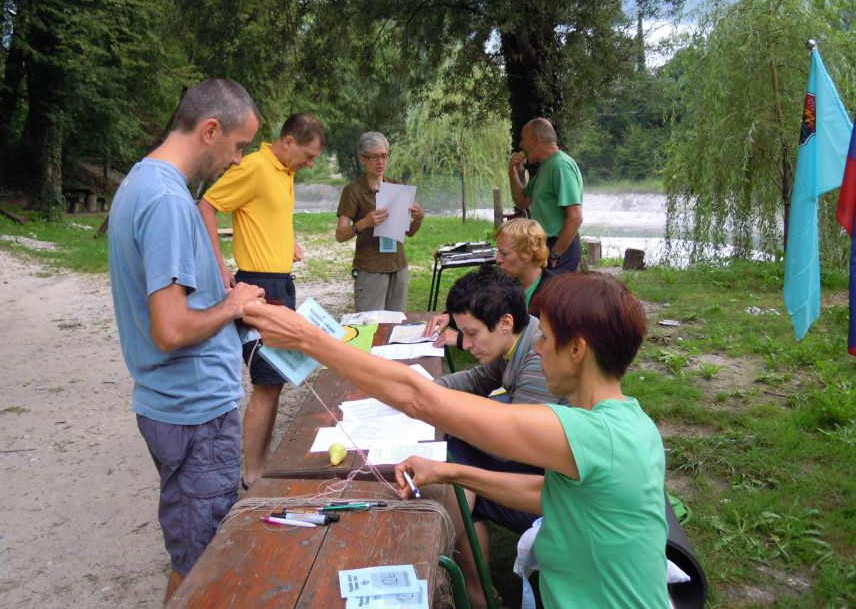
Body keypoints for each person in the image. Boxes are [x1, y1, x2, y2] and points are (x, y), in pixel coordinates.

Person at [242, 272, 669, 609]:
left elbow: (418, 397)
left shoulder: (591, 434)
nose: (535, 348)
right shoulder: (626, 424)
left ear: (577, 350)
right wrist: (452, 472)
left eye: (545, 338)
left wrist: (308, 339)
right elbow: (550, 493)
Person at [107, 78, 266, 602]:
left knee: (195, 552)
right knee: (205, 561)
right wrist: (234, 305)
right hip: (194, 413)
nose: (238, 161)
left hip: (176, 406)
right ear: (210, 130)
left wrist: (224, 298)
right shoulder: (168, 201)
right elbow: (171, 328)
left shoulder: (141, 182)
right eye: (238, 146)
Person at [197, 113, 325, 488]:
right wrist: (218, 267)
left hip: (281, 284)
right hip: (257, 286)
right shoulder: (254, 167)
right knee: (265, 382)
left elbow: (263, 218)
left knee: (277, 379)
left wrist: (288, 244)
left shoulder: (285, 173)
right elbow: (206, 206)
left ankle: (261, 466)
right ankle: (253, 476)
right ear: (288, 142)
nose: (311, 163)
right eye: (309, 154)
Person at [432, 266, 556, 606]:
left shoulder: (536, 360)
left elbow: (512, 448)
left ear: (504, 322)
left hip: (556, 495)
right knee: (456, 466)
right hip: (542, 472)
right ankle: (479, 589)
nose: (466, 344)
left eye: (472, 334)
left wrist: (441, 414)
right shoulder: (516, 339)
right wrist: (424, 391)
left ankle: (476, 592)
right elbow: (474, 381)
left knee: (456, 476)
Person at [426, 217, 556, 348]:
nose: (497, 259)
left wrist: (463, 339)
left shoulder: (553, 296)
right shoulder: (510, 281)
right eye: (497, 251)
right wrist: (451, 317)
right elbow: (487, 313)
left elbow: (525, 345)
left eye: (504, 254)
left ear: (527, 254)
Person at [335, 131, 424, 312]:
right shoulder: (353, 191)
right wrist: (363, 223)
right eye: (374, 157)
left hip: (398, 266)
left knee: (395, 325)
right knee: (371, 327)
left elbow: (409, 232)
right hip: (370, 269)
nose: (380, 162)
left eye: (384, 156)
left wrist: (419, 217)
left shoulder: (396, 187)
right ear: (362, 159)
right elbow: (340, 235)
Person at [508, 118, 583, 273]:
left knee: (552, 296)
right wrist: (512, 173)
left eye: (523, 139)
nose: (521, 145)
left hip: (560, 247)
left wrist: (555, 254)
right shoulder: (546, 167)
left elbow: (575, 217)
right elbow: (522, 201)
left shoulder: (560, 166)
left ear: (536, 139)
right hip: (544, 246)